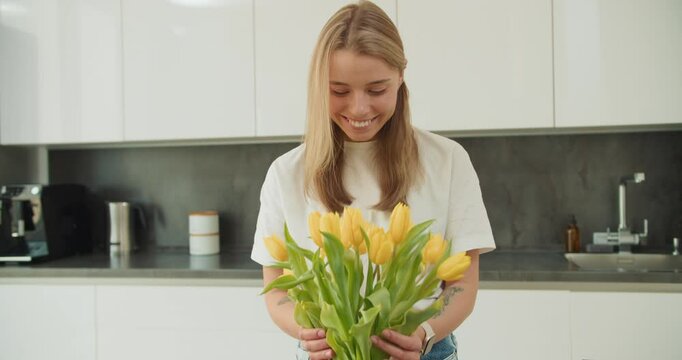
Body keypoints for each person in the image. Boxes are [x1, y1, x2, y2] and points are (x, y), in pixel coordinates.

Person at [251, 1, 495, 359]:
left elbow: (462, 283)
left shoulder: (448, 161)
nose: (359, 108)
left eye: (377, 90)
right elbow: (276, 290)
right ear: (319, 84)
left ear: (401, 75)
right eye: (339, 91)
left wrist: (424, 332)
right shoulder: (286, 174)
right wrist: (308, 331)